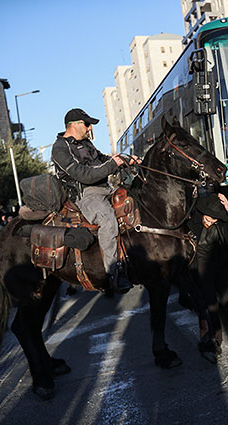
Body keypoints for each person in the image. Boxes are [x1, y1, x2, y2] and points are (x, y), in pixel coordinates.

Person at [51, 108, 138, 293]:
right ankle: (114, 272)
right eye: (87, 124)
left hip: (106, 187)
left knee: (134, 203)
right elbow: (84, 175)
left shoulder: (87, 143)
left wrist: (126, 159)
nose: (90, 128)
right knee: (107, 221)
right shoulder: (60, 148)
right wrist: (114, 164)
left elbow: (104, 160)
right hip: (86, 195)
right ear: (74, 125)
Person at [187, 193, 228, 356]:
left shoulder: (221, 224)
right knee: (209, 307)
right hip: (202, 272)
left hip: (222, 269)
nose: (214, 219)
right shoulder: (195, 225)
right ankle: (213, 341)